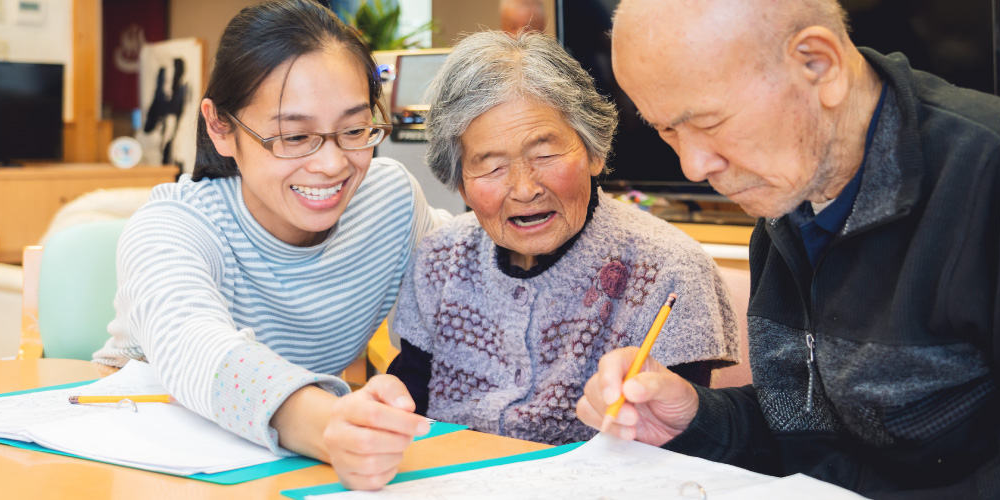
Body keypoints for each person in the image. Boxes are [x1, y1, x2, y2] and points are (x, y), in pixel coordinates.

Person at [576, 0, 1000, 498]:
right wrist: (696, 418)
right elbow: (825, 426)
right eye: (666, 130)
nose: (693, 164)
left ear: (816, 65)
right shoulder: (787, 188)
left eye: (709, 123)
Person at [91, 0, 448, 490]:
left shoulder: (389, 201)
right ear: (221, 127)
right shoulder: (174, 223)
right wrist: (332, 424)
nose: (331, 165)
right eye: (294, 136)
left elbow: (463, 263)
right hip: (143, 454)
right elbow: (196, 347)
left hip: (281, 462)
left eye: (354, 130)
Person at [365, 30, 737, 451]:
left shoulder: (669, 269)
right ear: (461, 186)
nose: (524, 189)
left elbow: (679, 443)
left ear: (595, 152)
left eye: (544, 155)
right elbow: (411, 388)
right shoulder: (440, 257)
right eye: (490, 167)